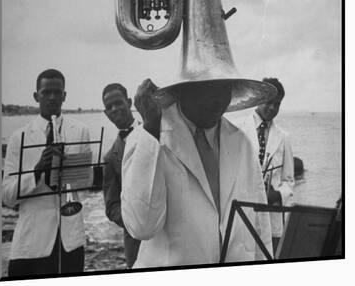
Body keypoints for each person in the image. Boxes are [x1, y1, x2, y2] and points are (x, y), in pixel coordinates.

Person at [120, 78, 272, 268]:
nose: (218, 100)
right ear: (182, 91)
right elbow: (141, 226)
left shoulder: (242, 142)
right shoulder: (147, 138)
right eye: (208, 88)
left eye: (224, 89)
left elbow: (259, 223)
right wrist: (151, 129)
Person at [2, 69, 92, 277]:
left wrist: (68, 168)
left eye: (57, 92)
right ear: (36, 96)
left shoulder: (80, 131)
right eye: (46, 92)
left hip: (70, 239)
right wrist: (37, 171)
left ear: (64, 96)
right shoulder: (18, 137)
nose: (52, 97)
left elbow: (86, 182)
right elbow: (7, 197)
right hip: (32, 241)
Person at [235, 77, 294, 254]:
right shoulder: (237, 129)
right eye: (269, 102)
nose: (273, 108)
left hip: (272, 217)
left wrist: (275, 195)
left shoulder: (283, 137)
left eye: (277, 104)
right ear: (259, 98)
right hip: (243, 213)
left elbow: (289, 181)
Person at [102, 83, 141, 268]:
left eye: (118, 103)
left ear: (130, 102)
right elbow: (111, 206)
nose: (114, 109)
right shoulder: (110, 157)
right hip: (136, 242)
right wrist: (133, 221)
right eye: (109, 107)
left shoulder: (156, 132)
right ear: (105, 114)